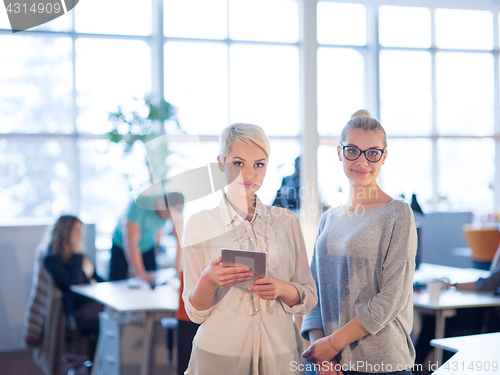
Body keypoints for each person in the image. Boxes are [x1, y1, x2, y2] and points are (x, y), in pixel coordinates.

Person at [181, 123, 318, 375]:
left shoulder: (287, 222)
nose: (249, 174)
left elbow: (308, 296)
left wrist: (282, 288)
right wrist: (208, 279)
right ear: (221, 163)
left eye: (259, 164)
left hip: (280, 356)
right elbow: (195, 313)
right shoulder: (199, 223)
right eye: (238, 163)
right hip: (220, 358)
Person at [301, 111, 418, 375]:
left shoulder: (398, 213)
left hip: (380, 364)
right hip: (326, 365)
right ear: (340, 153)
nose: (362, 161)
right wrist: (322, 355)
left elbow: (391, 299)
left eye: (372, 153)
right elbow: (314, 291)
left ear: (384, 156)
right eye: (353, 150)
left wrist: (332, 344)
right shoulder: (329, 218)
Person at [44, 215, 104, 359]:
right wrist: (76, 254)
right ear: (65, 233)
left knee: (116, 310)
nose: (81, 235)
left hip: (92, 302)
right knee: (113, 315)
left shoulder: (81, 256)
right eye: (77, 230)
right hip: (77, 307)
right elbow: (74, 284)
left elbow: (98, 278)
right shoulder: (53, 259)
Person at [108, 192, 184, 282]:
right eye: (167, 214)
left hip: (148, 244)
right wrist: (141, 274)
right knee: (117, 281)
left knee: (152, 281)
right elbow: (131, 243)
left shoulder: (176, 211)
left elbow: (180, 240)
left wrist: (178, 268)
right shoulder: (139, 204)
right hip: (121, 244)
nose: (168, 218)